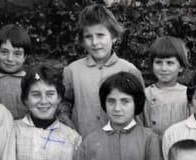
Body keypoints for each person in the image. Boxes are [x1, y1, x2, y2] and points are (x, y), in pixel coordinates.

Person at [73, 71, 168, 160]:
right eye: (111, 101)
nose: (117, 108)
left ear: (136, 103)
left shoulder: (150, 140)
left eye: (125, 101)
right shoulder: (90, 141)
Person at [60, 3, 144, 137]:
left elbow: (139, 113)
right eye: (88, 37)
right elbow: (64, 105)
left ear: (114, 37)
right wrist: (69, 128)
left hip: (121, 142)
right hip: (82, 141)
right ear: (82, 40)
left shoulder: (129, 70)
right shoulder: (72, 71)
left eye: (100, 35)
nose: (95, 42)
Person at [14, 66, 82, 160]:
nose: (43, 101)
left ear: (59, 98)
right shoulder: (13, 131)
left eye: (50, 94)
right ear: (25, 99)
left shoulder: (72, 138)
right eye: (36, 95)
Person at [143, 36, 191, 136]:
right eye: (158, 62)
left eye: (170, 63)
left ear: (181, 67)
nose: (164, 68)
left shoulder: (187, 95)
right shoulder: (146, 95)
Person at [0, 24, 31, 120]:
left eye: (17, 54)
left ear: (24, 57)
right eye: (4, 52)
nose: (10, 59)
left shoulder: (31, 82)